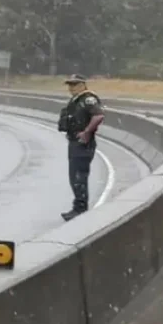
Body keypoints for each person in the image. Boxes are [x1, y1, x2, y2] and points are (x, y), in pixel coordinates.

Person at [58, 74, 105, 221]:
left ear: (83, 85)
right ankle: (78, 206)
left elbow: (98, 116)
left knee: (79, 176)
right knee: (74, 176)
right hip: (74, 143)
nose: (71, 88)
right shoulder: (76, 100)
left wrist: (86, 132)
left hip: (83, 144)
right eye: (70, 85)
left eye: (75, 84)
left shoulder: (88, 99)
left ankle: (80, 208)